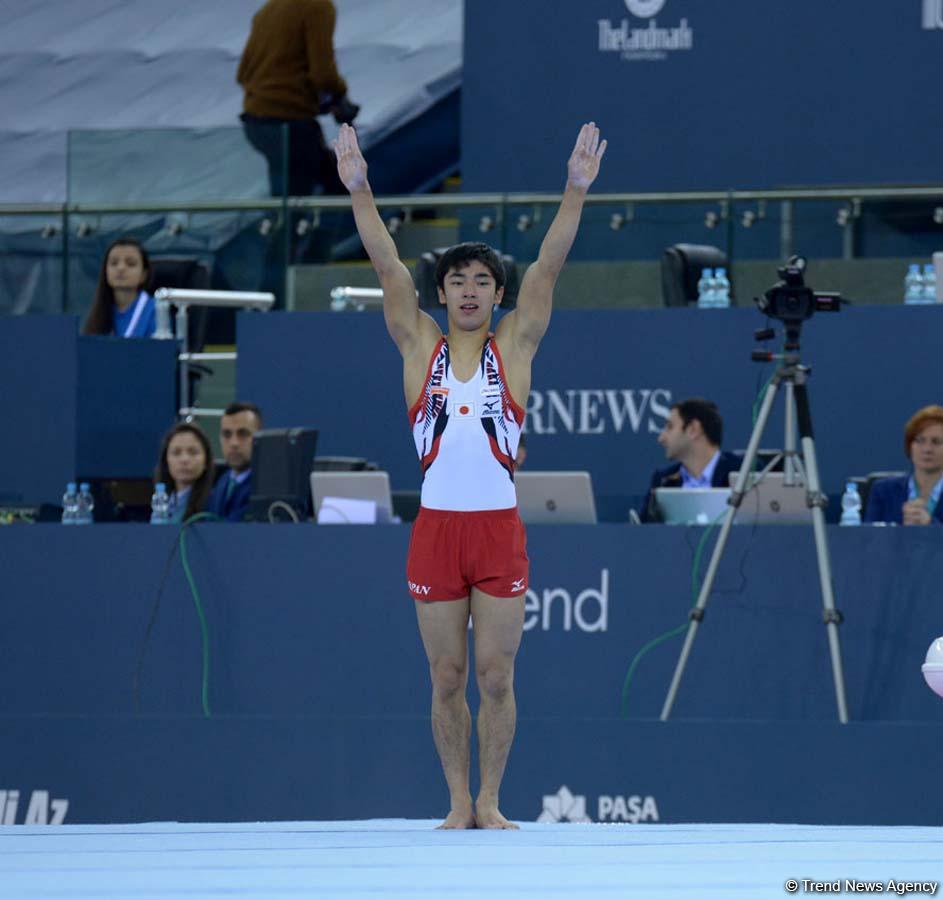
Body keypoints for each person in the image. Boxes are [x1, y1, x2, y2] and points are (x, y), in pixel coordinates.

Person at [335, 121, 606, 829]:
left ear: (496, 293)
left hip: (494, 530)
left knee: (495, 675)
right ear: (443, 291)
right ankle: (457, 799)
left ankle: (491, 800)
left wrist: (573, 192)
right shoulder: (416, 341)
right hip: (436, 530)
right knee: (447, 677)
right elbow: (386, 264)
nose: (467, 290)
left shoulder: (515, 342)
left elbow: (546, 269)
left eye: (481, 281)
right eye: (456, 280)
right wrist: (359, 189)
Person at [237, 0, 359, 199]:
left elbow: (242, 73)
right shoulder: (318, 7)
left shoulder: (268, 10)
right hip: (290, 122)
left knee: (295, 189)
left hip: (255, 121)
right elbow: (323, 75)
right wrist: (340, 95)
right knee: (306, 197)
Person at [639, 398, 741, 523]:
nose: (661, 438)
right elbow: (645, 534)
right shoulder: (663, 481)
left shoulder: (743, 472)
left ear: (693, 429)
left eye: (670, 427)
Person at [865, 404, 943, 526]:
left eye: (936, 442)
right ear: (909, 445)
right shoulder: (883, 491)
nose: (927, 449)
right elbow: (868, 540)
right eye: (920, 441)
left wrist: (930, 524)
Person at [82, 238, 156, 338]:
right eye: (114, 263)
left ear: (144, 274)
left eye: (130, 264)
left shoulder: (156, 310)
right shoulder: (100, 311)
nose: (120, 268)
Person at [207, 402, 264, 522]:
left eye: (243, 434)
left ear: (260, 437)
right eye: (227, 434)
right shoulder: (221, 481)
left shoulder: (269, 486)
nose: (234, 443)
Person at [153, 422, 215, 524]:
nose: (184, 459)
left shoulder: (214, 502)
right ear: (166, 461)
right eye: (176, 452)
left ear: (206, 461)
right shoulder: (164, 502)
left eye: (193, 452)